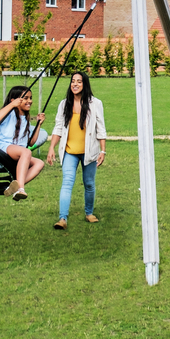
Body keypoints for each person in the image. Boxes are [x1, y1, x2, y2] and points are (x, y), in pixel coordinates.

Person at [46, 71, 107, 230]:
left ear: (84, 84)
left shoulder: (95, 104)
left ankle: (89, 213)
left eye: (79, 81)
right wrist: (51, 147)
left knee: (89, 183)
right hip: (69, 152)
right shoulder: (64, 104)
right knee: (67, 182)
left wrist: (103, 151)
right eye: (73, 81)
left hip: (89, 152)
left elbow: (101, 128)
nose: (75, 84)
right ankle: (62, 218)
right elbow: (58, 127)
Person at [0, 85, 46, 201]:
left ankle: (13, 186)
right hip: (3, 148)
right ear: (15, 100)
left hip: (18, 152)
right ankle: (20, 188)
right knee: (26, 152)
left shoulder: (25, 119)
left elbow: (30, 143)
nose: (29, 101)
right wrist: (11, 105)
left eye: (30, 98)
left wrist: (39, 124)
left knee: (39, 163)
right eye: (25, 98)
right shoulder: (9, 114)